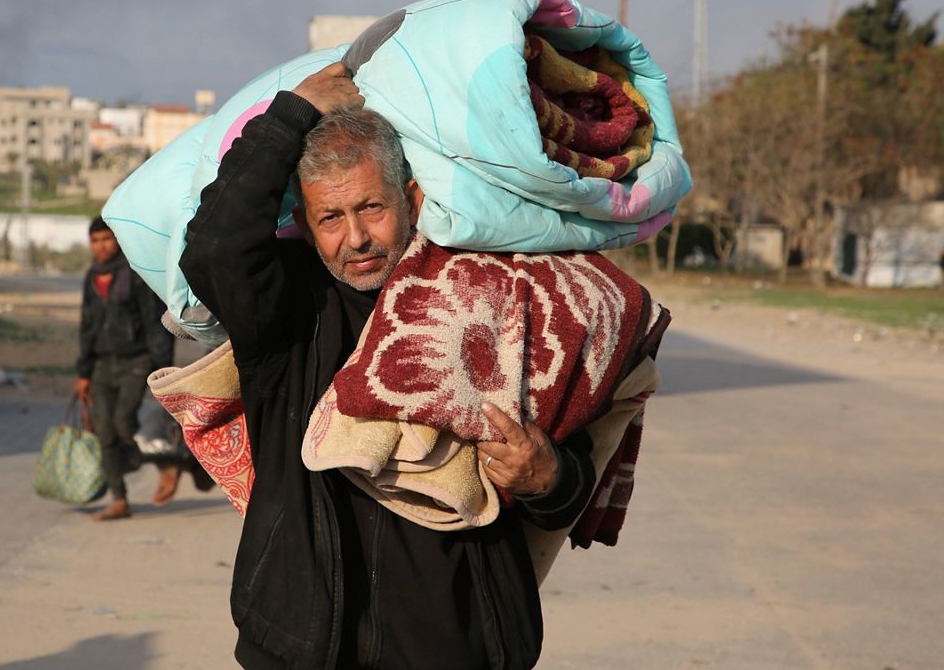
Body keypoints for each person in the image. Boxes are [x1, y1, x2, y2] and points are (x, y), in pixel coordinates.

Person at [180, 63, 592, 669]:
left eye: (371, 208)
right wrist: (293, 112)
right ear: (305, 225)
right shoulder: (288, 313)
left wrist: (547, 475)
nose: (356, 238)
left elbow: (571, 477)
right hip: (306, 649)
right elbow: (215, 247)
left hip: (462, 646)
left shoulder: (496, 299)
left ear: (413, 200)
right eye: (330, 218)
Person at [75, 218, 177, 520]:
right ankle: (119, 499)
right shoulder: (92, 277)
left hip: (136, 361)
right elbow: (87, 327)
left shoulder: (133, 275)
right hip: (102, 365)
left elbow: (153, 321)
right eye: (95, 240)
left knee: (123, 421)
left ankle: (164, 460)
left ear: (116, 240)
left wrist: (163, 368)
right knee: (104, 430)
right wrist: (83, 372)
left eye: (106, 239)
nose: (101, 246)